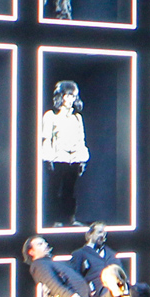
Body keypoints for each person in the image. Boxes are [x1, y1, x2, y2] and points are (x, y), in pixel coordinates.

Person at [41, 79, 88, 227]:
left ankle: (69, 218)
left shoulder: (77, 118)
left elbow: (81, 139)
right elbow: (46, 139)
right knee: (54, 191)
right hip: (58, 158)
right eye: (67, 96)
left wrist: (82, 159)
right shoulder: (51, 116)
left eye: (73, 96)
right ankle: (53, 219)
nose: (70, 99)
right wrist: (48, 159)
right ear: (60, 96)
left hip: (73, 159)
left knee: (70, 191)